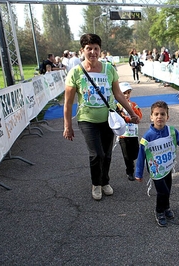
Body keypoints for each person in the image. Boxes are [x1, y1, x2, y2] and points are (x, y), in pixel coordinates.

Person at [63, 33, 140, 201]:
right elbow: (68, 103)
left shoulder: (109, 69)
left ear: (100, 50)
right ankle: (96, 184)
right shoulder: (75, 73)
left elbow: (118, 94)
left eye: (96, 48)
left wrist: (132, 113)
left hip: (109, 119)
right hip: (87, 120)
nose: (93, 52)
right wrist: (67, 126)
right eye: (88, 48)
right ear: (82, 50)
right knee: (96, 154)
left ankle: (105, 181)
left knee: (107, 154)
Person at [135, 101, 179, 227]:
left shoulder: (172, 131)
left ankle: (166, 207)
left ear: (167, 117)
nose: (159, 117)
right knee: (162, 191)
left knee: (167, 188)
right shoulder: (148, 136)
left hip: (167, 167)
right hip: (156, 170)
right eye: (156, 114)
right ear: (151, 117)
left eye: (162, 114)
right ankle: (159, 211)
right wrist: (138, 172)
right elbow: (141, 156)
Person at [115, 82, 143, 180]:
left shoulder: (134, 105)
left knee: (135, 152)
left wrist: (133, 111)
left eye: (128, 93)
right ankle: (130, 171)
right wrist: (127, 117)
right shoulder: (117, 106)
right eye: (124, 93)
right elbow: (118, 118)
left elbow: (139, 116)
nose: (126, 95)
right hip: (123, 134)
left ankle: (135, 164)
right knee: (126, 154)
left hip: (133, 133)